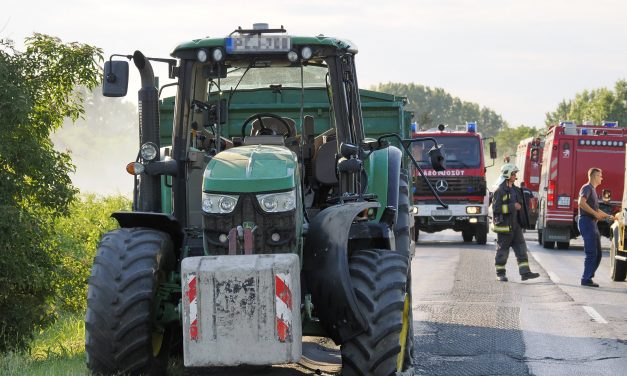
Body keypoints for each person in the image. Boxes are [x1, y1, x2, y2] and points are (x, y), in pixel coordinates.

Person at [491, 163, 540, 282]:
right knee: (503, 251)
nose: (515, 176)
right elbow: (496, 209)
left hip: (516, 226)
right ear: (508, 174)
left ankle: (525, 273)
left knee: (521, 249)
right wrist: (512, 206)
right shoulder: (499, 190)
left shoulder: (515, 189)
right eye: (514, 174)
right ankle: (500, 273)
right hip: (504, 227)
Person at [578, 168, 613, 287]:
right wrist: (594, 214)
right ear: (593, 177)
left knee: (598, 254)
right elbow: (581, 203)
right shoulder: (587, 188)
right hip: (587, 222)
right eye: (599, 176)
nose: (601, 178)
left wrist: (610, 216)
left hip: (592, 223)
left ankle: (589, 277)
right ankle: (585, 279)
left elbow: (596, 210)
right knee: (592, 253)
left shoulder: (592, 190)